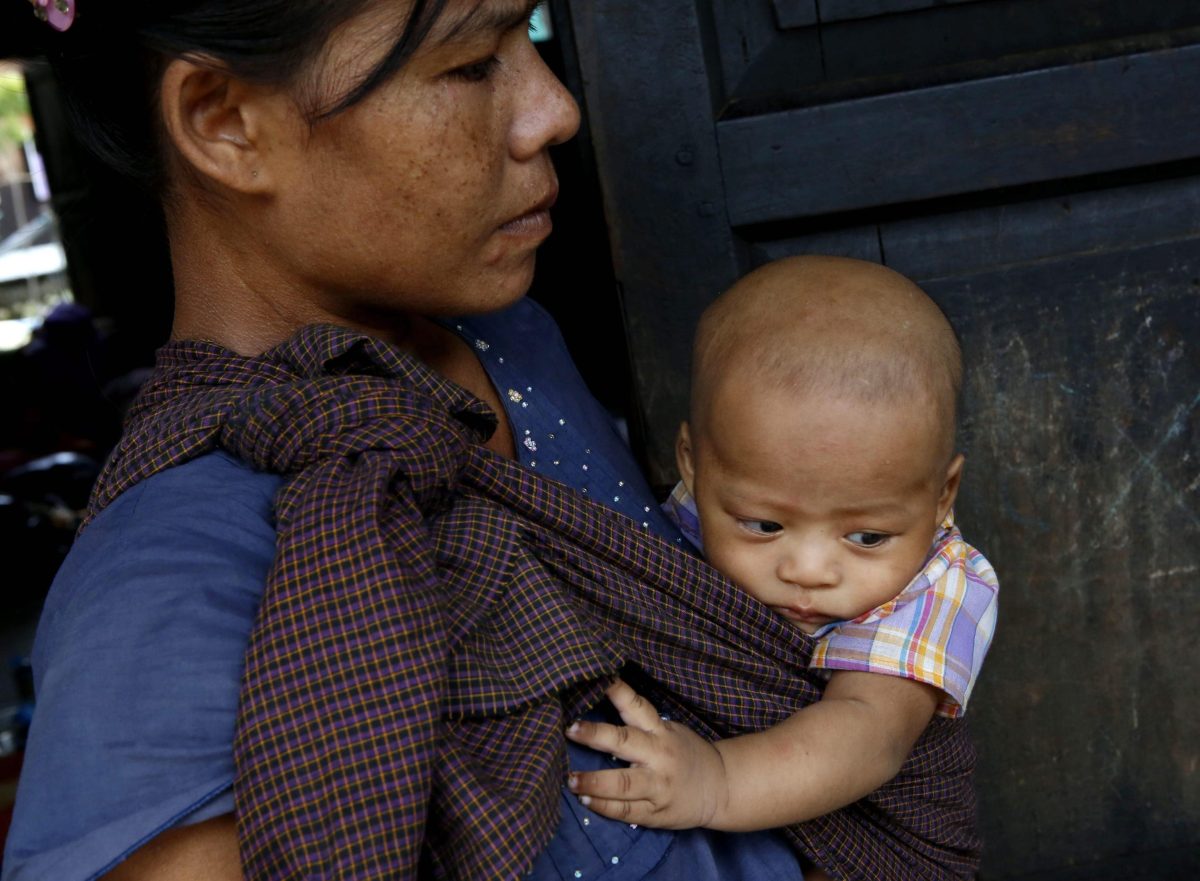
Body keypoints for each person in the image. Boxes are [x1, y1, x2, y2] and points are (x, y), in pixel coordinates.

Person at [1, 3, 981, 880]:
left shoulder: (508, 341)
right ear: (225, 121)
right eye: (471, 63)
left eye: (532, 35)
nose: (553, 107)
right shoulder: (161, 596)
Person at [567, 256, 999, 834]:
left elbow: (866, 730)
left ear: (942, 495)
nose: (808, 570)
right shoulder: (689, 514)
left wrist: (717, 780)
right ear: (694, 468)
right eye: (764, 526)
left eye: (867, 537)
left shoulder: (939, 583)